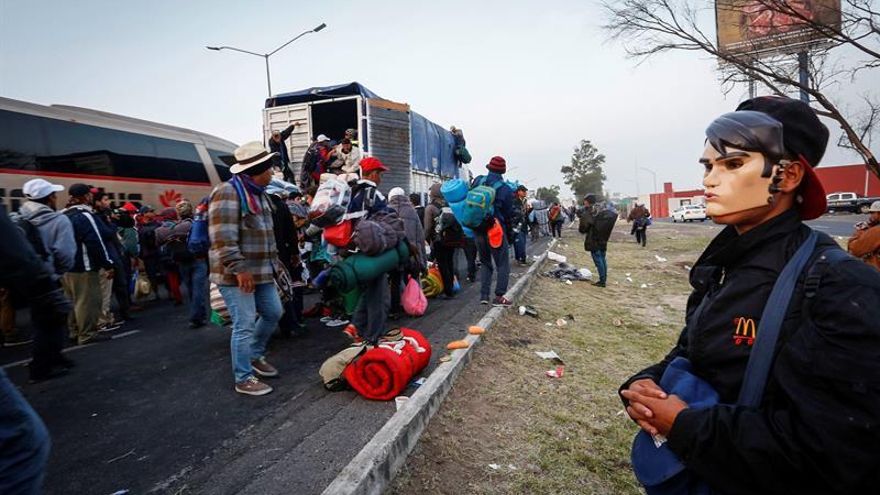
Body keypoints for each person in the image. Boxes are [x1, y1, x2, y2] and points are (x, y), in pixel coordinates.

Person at [619, 96, 880, 494]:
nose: (709, 180)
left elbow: (833, 453)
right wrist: (646, 383)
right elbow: (695, 352)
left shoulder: (840, 287)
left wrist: (686, 427)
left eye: (733, 164)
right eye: (708, 166)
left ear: (789, 176)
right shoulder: (724, 266)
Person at [0, 202, 67, 494]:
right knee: (21, 441)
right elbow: (15, 251)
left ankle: (48, 362)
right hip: (43, 278)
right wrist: (43, 288)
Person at [209, 141, 284, 396]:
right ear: (257, 170)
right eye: (269, 168)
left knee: (273, 312)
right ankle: (243, 378)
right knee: (244, 324)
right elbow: (222, 237)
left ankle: (253, 355)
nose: (272, 172)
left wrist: (275, 265)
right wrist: (239, 269)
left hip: (261, 272)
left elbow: (266, 235)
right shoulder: (227, 192)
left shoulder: (259, 194)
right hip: (237, 275)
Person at [18, 179, 77, 381]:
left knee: (45, 319)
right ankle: (41, 368)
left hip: (27, 277)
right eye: (54, 194)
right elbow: (65, 254)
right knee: (49, 322)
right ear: (50, 198)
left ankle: (56, 357)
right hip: (48, 278)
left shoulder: (18, 217)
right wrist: (57, 272)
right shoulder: (59, 220)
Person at [345, 157, 393, 344]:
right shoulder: (375, 195)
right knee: (379, 297)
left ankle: (355, 326)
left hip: (353, 250)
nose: (380, 178)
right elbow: (387, 223)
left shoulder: (351, 192)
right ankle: (373, 337)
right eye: (380, 174)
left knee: (369, 289)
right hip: (372, 251)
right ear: (372, 174)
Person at [62, 183, 115, 345]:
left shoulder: (63, 214)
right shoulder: (85, 215)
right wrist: (107, 264)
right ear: (86, 196)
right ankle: (87, 334)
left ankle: (74, 331)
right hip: (84, 266)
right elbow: (95, 242)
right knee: (87, 301)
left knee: (72, 300)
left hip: (66, 266)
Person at [471, 156, 514, 307]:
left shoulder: (478, 181)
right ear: (503, 171)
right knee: (502, 263)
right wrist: (509, 233)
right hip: (496, 230)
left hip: (478, 228)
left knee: (485, 262)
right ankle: (499, 296)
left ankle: (484, 296)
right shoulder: (505, 189)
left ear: (488, 168)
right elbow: (508, 214)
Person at [92, 191, 130, 328]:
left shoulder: (108, 214)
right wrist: (111, 222)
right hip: (109, 255)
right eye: (105, 200)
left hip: (115, 253)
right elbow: (107, 233)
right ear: (97, 202)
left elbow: (128, 222)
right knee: (107, 290)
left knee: (121, 285)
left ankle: (124, 312)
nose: (108, 202)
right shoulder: (96, 217)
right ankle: (105, 319)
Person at [388, 187, 428, 313]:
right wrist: (423, 260)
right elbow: (420, 236)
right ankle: (412, 304)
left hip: (394, 252)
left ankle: (395, 309)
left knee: (395, 280)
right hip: (411, 252)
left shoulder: (387, 211)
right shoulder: (412, 211)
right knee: (412, 278)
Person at [578, 194, 613, 287]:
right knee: (602, 258)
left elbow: (583, 229)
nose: (584, 202)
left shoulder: (589, 212)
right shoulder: (602, 210)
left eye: (585, 201)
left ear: (587, 201)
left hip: (593, 239)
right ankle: (603, 279)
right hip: (603, 238)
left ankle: (602, 281)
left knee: (598, 259)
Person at [848, 200, 880, 271]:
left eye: (872, 212)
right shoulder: (870, 227)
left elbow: (855, 249)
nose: (871, 215)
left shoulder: (875, 231)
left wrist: (861, 233)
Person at [511, 185, 530, 265]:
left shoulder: (524, 201)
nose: (525, 193)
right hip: (517, 225)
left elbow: (525, 214)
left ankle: (520, 258)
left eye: (525, 191)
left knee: (522, 243)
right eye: (523, 191)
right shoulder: (514, 201)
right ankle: (521, 259)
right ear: (519, 192)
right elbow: (515, 213)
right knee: (519, 243)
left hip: (523, 225)